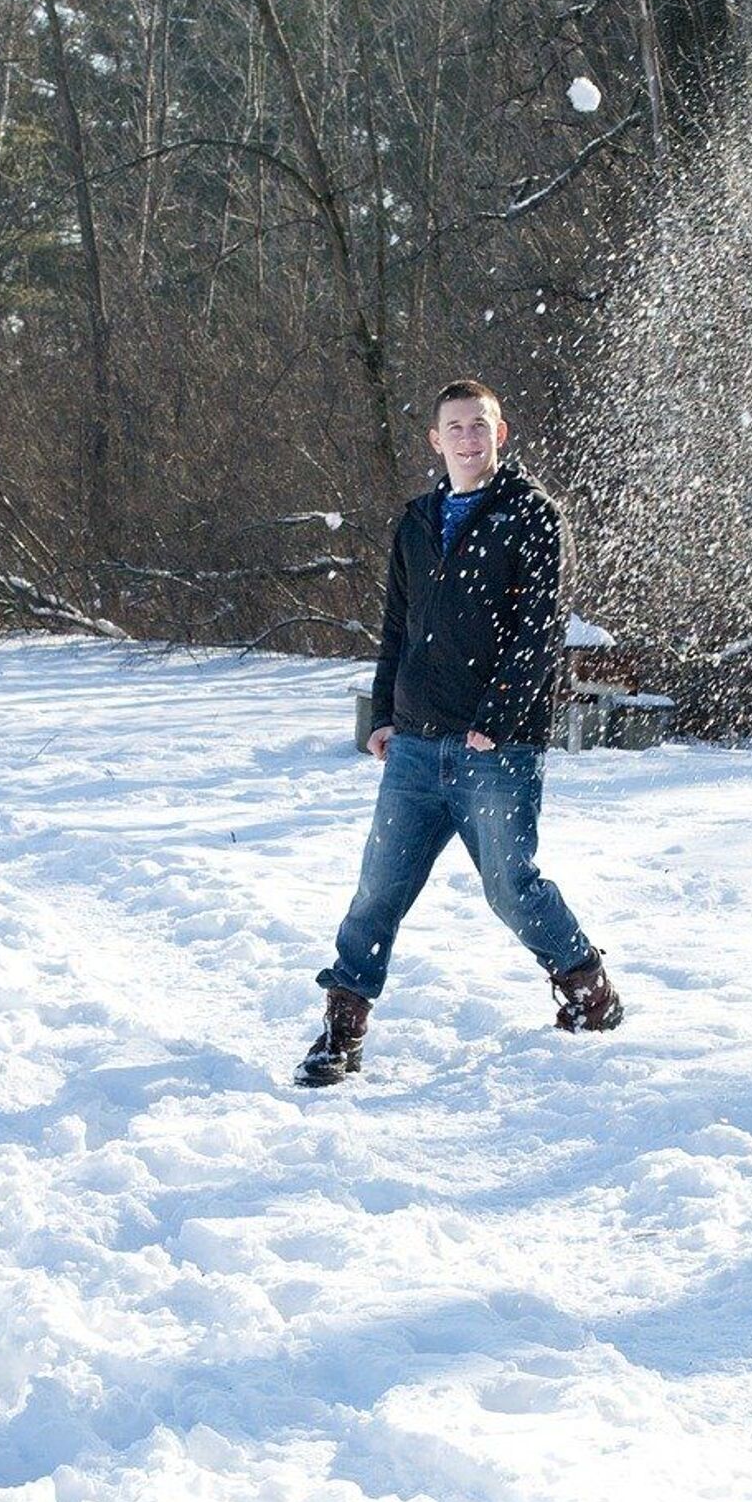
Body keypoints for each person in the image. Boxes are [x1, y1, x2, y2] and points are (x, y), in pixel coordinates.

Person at [296, 379, 622, 1086]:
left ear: (499, 435)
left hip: (495, 749)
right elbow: (396, 627)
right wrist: (384, 713)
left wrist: (495, 719)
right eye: (455, 427)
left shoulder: (530, 515)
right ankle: (341, 1031)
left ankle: (589, 991)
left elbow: (538, 628)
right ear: (435, 440)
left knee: (511, 887)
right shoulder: (415, 521)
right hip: (414, 744)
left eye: (480, 426)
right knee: (377, 891)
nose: (468, 439)